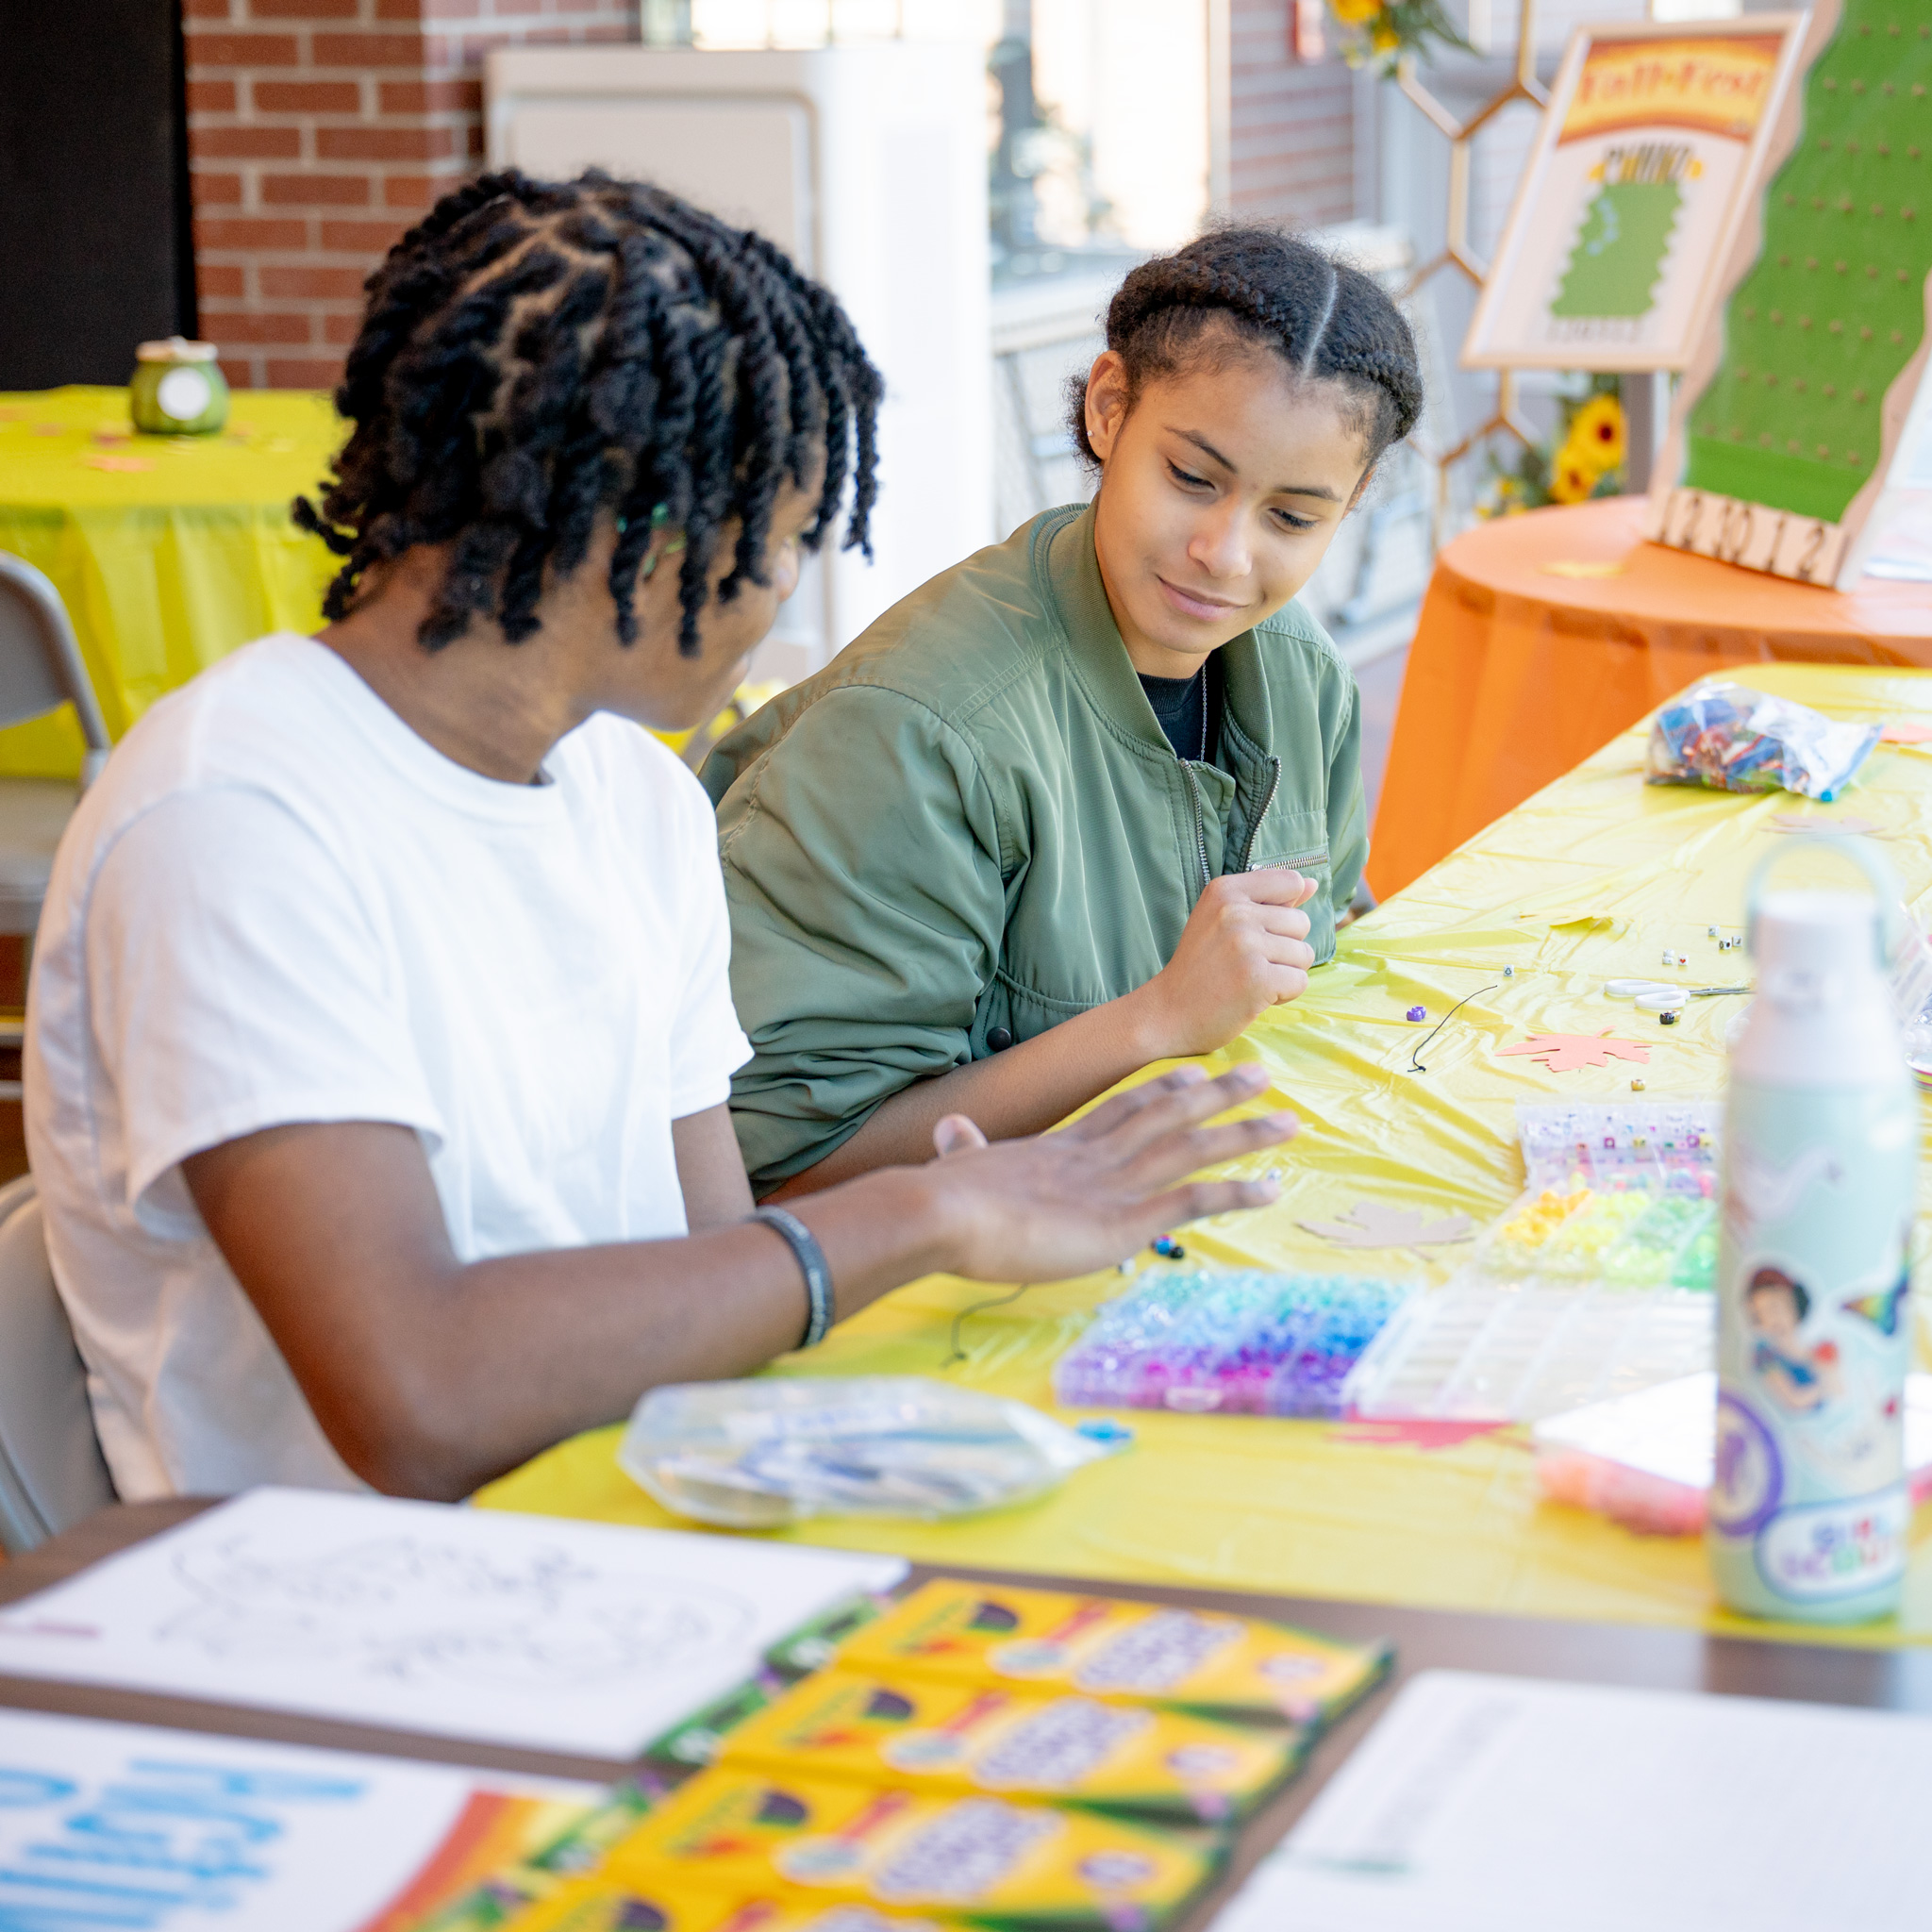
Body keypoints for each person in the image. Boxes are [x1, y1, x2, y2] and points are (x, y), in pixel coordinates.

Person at [24, 173, 1293, 1506]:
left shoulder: (635, 795)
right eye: (794, 540)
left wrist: (976, 1214)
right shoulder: (233, 820)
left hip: (632, 1508)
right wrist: (930, 1211)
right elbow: (416, 1396)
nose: (789, 604)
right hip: (335, 1610)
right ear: (645, 543)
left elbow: (712, 1253)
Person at [703, 226, 1423, 1200]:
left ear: (1353, 499)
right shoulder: (915, 733)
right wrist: (1157, 1020)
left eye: (1291, 517)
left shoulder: (1302, 674)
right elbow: (776, 1172)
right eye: (1191, 478)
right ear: (1108, 406)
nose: (1224, 552)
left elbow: (1324, 948)